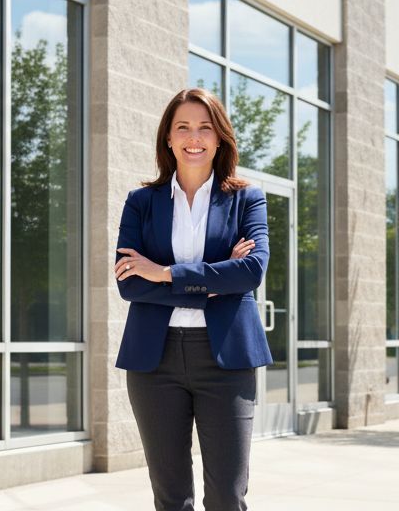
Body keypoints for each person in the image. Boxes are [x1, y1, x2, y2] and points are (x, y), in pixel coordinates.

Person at [113, 87, 272, 511]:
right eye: (182, 126)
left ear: (220, 138)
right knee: (171, 498)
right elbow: (130, 283)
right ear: (168, 137)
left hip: (226, 361)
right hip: (154, 362)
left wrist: (165, 274)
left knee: (226, 495)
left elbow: (252, 271)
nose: (194, 136)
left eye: (205, 127)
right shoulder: (141, 202)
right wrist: (217, 282)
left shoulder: (246, 199)